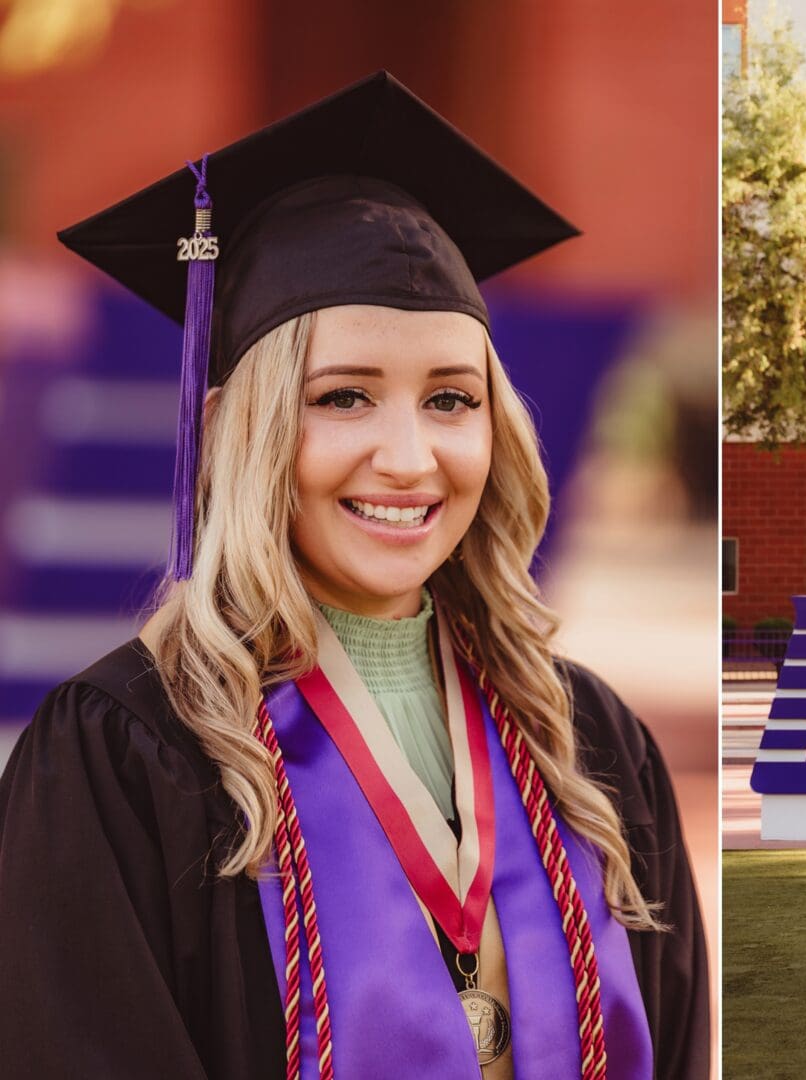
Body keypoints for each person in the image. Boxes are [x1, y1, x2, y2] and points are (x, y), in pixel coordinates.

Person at [0, 73, 708, 1079]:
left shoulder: (588, 743)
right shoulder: (126, 758)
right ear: (237, 433)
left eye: (450, 400)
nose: (410, 457)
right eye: (343, 398)